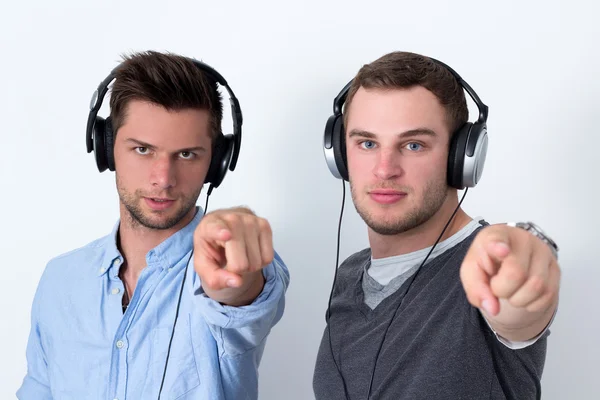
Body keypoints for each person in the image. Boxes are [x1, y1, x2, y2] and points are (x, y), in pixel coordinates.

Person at [17, 50, 289, 400]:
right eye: (143, 150)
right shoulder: (60, 279)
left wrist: (234, 264)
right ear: (107, 147)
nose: (163, 179)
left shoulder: (226, 260)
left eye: (187, 154)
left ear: (217, 162)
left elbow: (240, 296)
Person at [315, 51, 560, 399]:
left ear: (461, 157)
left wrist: (525, 265)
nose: (385, 169)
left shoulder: (488, 267)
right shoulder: (349, 275)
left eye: (413, 145)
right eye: (367, 143)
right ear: (340, 153)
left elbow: (518, 304)